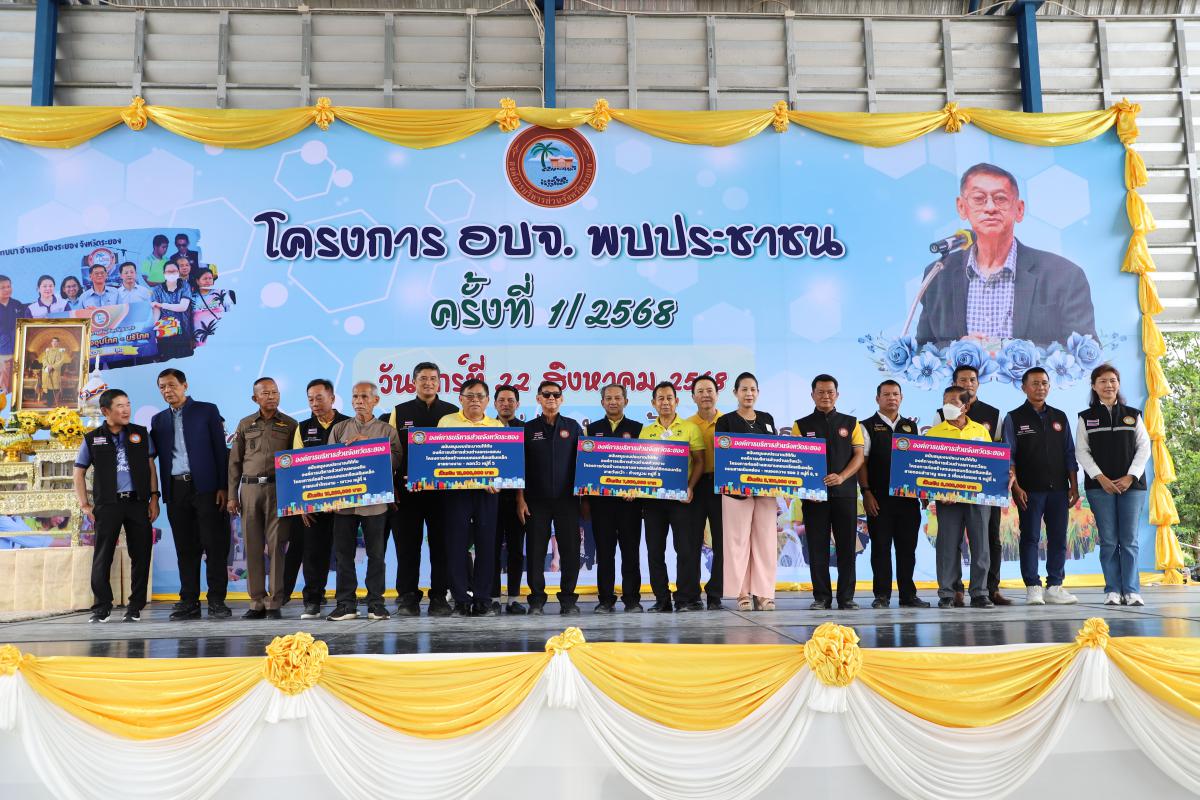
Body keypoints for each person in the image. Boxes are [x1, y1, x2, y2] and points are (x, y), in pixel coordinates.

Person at [915, 162, 1096, 348]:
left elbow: (1086, 351)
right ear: (962, 207)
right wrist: (956, 350)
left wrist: (1003, 349)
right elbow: (922, 350)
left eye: (1000, 199)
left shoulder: (1064, 276)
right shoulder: (938, 274)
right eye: (979, 198)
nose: (990, 208)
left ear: (1019, 209)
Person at [150, 368, 232, 620]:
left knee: (214, 545)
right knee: (185, 548)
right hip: (176, 490)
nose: (167, 391)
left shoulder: (207, 411)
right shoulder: (158, 421)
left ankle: (217, 601)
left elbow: (221, 450)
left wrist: (224, 486)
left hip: (207, 489)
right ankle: (189, 601)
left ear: (184, 385)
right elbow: (149, 456)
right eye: (162, 387)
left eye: (172, 385)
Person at [73, 389, 160, 623]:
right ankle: (102, 607)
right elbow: (78, 472)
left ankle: (135, 606)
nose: (126, 409)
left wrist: (154, 498)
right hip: (107, 504)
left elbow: (151, 467)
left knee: (141, 554)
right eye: (120, 405)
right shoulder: (92, 438)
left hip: (137, 503)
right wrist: (85, 505)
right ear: (105, 411)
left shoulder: (140, 434)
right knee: (103, 556)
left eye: (128, 404)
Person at [326, 382, 403, 621]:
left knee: (376, 555)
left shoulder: (387, 430)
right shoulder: (339, 429)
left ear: (376, 400)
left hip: (375, 502)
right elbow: (328, 462)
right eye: (355, 396)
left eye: (364, 396)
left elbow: (397, 460)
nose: (359, 401)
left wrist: (369, 447)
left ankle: (376, 603)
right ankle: (345, 604)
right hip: (344, 503)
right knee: (343, 555)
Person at [1003, 366, 1080, 606]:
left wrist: (1074, 485)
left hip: (1059, 489)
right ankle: (1033, 587)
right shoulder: (1014, 418)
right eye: (1035, 383)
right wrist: (1016, 487)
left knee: (1058, 538)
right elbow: (1009, 456)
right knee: (1030, 538)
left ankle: (1055, 586)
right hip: (1029, 490)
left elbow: (1069, 453)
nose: (1040, 388)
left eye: (1044, 383)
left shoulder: (1060, 417)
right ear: (1024, 387)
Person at [1076, 364, 1151, 607]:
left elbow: (1144, 448)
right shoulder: (1085, 418)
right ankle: (1112, 590)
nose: (1108, 385)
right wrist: (1100, 478)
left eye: (1112, 380)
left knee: (1129, 540)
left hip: (1132, 487)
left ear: (1118, 384)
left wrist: (1130, 476)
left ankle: (1132, 591)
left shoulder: (1133, 415)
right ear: (1094, 386)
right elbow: (1082, 451)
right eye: (1103, 381)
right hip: (1100, 488)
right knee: (1108, 541)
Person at [387, 361, 458, 617]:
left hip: (442, 493)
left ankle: (439, 597)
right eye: (423, 378)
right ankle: (407, 597)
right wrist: (392, 487)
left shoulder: (452, 412)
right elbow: (391, 452)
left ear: (439, 382)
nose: (428, 383)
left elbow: (458, 452)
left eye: (433, 379)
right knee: (407, 547)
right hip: (407, 492)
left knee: (442, 546)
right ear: (413, 382)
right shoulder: (399, 411)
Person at [793, 374, 864, 610]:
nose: (826, 396)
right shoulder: (801, 425)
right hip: (814, 497)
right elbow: (796, 459)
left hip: (845, 494)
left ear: (837, 394)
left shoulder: (851, 423)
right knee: (817, 548)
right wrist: (810, 486)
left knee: (847, 548)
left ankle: (846, 597)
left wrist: (842, 477)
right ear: (812, 395)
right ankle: (821, 597)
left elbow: (859, 456)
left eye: (830, 392)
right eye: (821, 392)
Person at [227, 377, 297, 618]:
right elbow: (235, 462)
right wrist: (232, 496)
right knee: (253, 545)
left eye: (275, 392)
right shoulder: (245, 424)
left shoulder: (290, 424)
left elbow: (297, 462)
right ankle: (256, 601)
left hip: (279, 490)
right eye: (266, 393)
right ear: (255, 398)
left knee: (277, 545)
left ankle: (275, 601)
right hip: (249, 490)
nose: (272, 396)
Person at [857, 379, 929, 609]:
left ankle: (908, 595)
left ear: (901, 397)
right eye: (886, 394)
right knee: (881, 548)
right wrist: (866, 492)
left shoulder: (910, 426)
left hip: (907, 500)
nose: (891, 398)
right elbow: (862, 463)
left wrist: (923, 491)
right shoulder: (866, 426)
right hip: (879, 499)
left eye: (895, 394)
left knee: (907, 549)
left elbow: (916, 463)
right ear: (877, 398)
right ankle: (882, 595)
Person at [438, 378, 504, 617]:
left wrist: (498, 481)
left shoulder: (497, 426)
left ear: (487, 401)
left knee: (487, 545)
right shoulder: (447, 422)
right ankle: (461, 600)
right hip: (456, 494)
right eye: (470, 396)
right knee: (456, 546)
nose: (475, 400)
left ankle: (483, 600)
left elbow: (504, 461)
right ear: (460, 399)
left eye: (480, 396)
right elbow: (438, 457)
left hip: (487, 494)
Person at [518, 380, 583, 615]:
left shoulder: (573, 427)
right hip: (535, 501)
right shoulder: (527, 429)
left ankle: (568, 600)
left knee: (570, 551)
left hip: (567, 501)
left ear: (562, 399)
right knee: (536, 552)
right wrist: (520, 500)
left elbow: (584, 464)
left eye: (556, 394)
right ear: (538, 399)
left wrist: (584, 499)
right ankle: (536, 600)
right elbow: (519, 467)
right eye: (546, 395)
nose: (551, 398)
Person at [716, 372, 780, 611]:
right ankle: (741, 593)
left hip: (765, 490)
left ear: (758, 392)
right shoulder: (725, 421)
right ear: (735, 393)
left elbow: (775, 452)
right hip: (736, 492)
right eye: (744, 389)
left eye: (753, 389)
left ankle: (764, 594)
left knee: (766, 540)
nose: (749, 393)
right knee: (737, 541)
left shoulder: (767, 419)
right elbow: (723, 457)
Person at [639, 381, 705, 613]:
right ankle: (662, 599)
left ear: (676, 401)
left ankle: (685, 598)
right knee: (654, 551)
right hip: (653, 502)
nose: (665, 402)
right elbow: (641, 466)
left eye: (669, 398)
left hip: (681, 500)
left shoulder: (690, 428)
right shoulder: (646, 432)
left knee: (685, 550)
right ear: (653, 403)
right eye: (661, 398)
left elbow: (699, 461)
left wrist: (690, 487)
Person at [927, 386, 994, 609]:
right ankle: (947, 593)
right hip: (947, 500)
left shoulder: (980, 431)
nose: (947, 406)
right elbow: (928, 469)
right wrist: (939, 493)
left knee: (981, 544)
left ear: (965, 407)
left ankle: (980, 593)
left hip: (978, 498)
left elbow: (990, 465)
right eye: (945, 401)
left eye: (953, 402)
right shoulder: (934, 433)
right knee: (947, 545)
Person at [949, 364, 1011, 605]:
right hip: (953, 489)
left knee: (990, 538)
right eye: (962, 380)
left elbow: (1002, 451)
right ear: (954, 383)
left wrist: (1007, 476)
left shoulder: (994, 414)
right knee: (953, 540)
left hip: (986, 488)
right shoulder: (942, 413)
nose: (968, 384)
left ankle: (990, 589)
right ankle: (955, 589)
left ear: (978, 383)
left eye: (972, 380)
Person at [290, 378, 350, 620]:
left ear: (332, 398)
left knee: (344, 554)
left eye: (319, 398)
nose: (314, 403)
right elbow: (295, 467)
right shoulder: (303, 428)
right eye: (310, 399)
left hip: (345, 503)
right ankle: (313, 600)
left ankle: (346, 601)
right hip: (313, 502)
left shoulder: (349, 424)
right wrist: (301, 504)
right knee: (314, 553)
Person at [584, 383, 644, 613]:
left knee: (630, 553)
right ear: (602, 403)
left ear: (625, 401)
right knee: (604, 554)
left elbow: (644, 466)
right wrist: (586, 500)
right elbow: (587, 467)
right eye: (608, 398)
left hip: (630, 504)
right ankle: (605, 600)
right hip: (602, 505)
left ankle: (632, 599)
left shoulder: (638, 429)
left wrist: (636, 487)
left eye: (617, 398)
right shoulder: (591, 430)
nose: (613, 402)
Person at [686, 374, 724, 610]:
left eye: (709, 390)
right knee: (691, 542)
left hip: (722, 487)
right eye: (700, 391)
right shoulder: (686, 425)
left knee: (721, 542)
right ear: (693, 397)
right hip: (695, 486)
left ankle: (715, 593)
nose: (705, 395)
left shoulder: (728, 422)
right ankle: (691, 594)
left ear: (717, 394)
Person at [492, 383, 527, 614]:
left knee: (516, 550)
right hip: (490, 499)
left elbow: (527, 467)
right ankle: (493, 598)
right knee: (491, 550)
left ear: (518, 404)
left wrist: (521, 499)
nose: (506, 404)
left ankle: (513, 598)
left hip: (518, 500)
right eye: (502, 400)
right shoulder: (486, 428)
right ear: (494, 404)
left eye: (510, 400)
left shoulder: (526, 429)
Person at [151, 261, 194, 361]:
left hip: (183, 332)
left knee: (184, 361)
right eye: (169, 271)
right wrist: (153, 331)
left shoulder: (185, 286)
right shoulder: (157, 290)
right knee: (166, 360)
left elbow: (183, 307)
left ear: (178, 272)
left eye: (174, 271)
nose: (171, 273)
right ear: (164, 273)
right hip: (164, 333)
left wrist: (162, 305)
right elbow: (156, 311)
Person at [0, 276, 29, 394]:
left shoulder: (17, 304)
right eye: (2, 287)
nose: (7, 289)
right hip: (2, 352)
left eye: (8, 286)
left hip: (18, 349)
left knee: (18, 381)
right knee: (4, 384)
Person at [192, 268, 233, 346]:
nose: (208, 281)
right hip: (200, 338)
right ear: (197, 281)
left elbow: (232, 315)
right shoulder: (192, 296)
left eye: (210, 278)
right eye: (205, 279)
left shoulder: (222, 293)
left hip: (222, 336)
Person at [39, 336, 70, 408]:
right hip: (47, 371)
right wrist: (47, 366)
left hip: (55, 371)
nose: (54, 343)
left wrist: (52, 366)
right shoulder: (47, 351)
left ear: (58, 343)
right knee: (47, 387)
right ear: (51, 343)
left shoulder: (61, 351)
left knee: (53, 387)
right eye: (53, 341)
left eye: (56, 342)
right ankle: (48, 401)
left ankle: (51, 402)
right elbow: (44, 359)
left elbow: (61, 361)